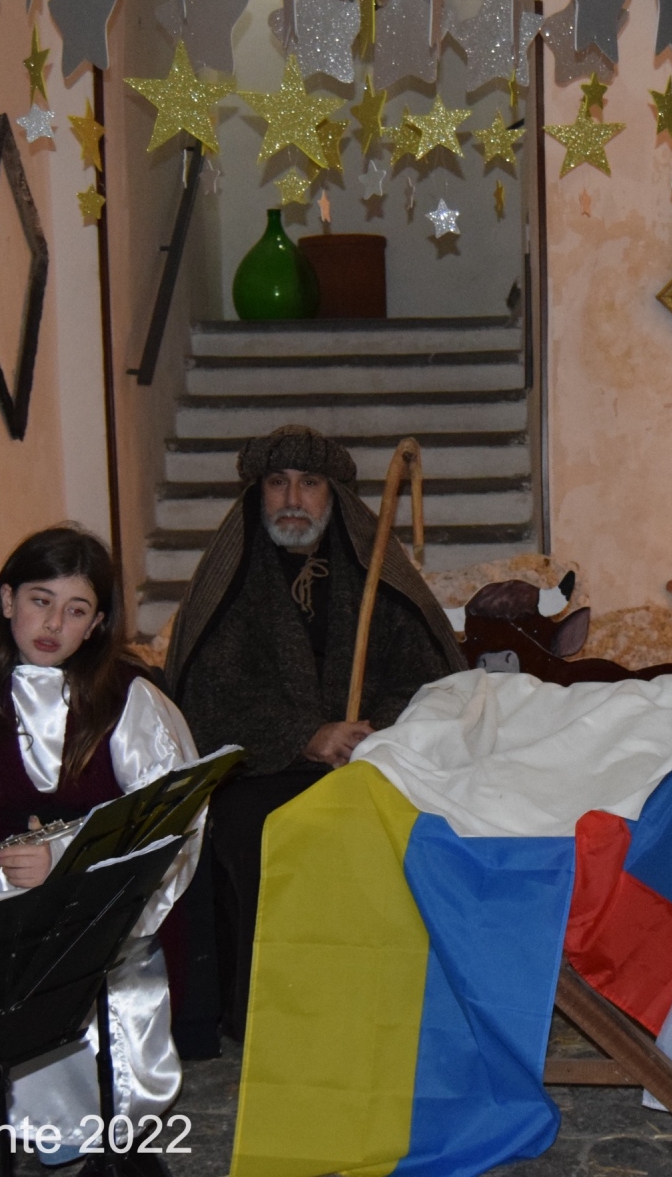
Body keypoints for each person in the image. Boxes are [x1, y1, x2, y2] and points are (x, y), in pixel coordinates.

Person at [0, 526, 199, 1151]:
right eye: (40, 600)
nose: (54, 623)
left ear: (97, 624)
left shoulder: (129, 701)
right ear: (6, 600)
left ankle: (64, 1123)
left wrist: (66, 859)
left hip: (91, 888)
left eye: (76, 610)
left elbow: (167, 821)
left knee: (53, 960)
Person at [163, 425, 463, 1042]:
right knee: (268, 838)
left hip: (373, 761)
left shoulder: (372, 573)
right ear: (259, 494)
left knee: (403, 834)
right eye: (278, 483)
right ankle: (277, 1020)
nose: (293, 499)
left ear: (334, 496)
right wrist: (305, 734)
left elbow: (427, 677)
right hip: (259, 771)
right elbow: (208, 696)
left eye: (310, 483)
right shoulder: (233, 580)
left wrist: (371, 734)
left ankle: (388, 1008)